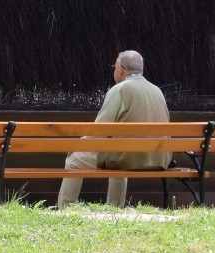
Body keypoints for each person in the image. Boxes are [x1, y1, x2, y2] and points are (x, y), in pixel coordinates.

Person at [56, 50, 170, 209]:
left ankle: (65, 208)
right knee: (119, 152)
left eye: (114, 67)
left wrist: (78, 145)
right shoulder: (157, 91)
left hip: (128, 158)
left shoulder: (120, 89)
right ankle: (115, 208)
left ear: (121, 69)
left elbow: (100, 130)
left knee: (74, 160)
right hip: (157, 158)